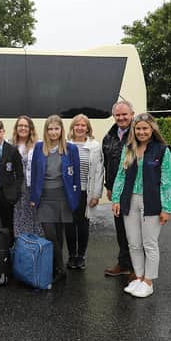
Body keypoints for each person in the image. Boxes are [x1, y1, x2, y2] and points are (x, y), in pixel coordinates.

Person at [111, 113, 171, 298]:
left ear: (152, 129)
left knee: (149, 243)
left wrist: (167, 208)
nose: (141, 132)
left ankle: (149, 281)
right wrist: (116, 199)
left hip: (152, 202)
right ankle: (138, 277)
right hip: (130, 200)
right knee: (134, 243)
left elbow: (167, 181)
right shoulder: (128, 149)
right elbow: (120, 176)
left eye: (145, 128)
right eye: (138, 128)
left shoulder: (162, 150)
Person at [30, 115, 80, 283]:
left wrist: (76, 197)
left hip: (63, 196)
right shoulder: (39, 147)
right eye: (50, 129)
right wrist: (33, 197)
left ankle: (56, 267)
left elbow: (76, 176)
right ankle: (60, 267)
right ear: (46, 131)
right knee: (50, 234)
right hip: (44, 197)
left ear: (61, 130)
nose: (53, 132)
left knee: (59, 234)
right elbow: (35, 173)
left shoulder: (71, 149)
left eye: (56, 129)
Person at [64, 114, 104, 270]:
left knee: (82, 224)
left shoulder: (95, 146)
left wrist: (96, 194)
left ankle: (81, 256)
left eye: (83, 125)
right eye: (77, 125)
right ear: (72, 128)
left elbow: (99, 172)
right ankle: (71, 255)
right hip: (68, 192)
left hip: (85, 192)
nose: (80, 128)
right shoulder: (65, 145)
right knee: (69, 224)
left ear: (88, 128)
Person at [102, 101, 135, 278]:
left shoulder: (139, 133)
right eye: (118, 115)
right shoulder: (109, 136)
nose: (121, 118)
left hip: (135, 191)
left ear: (132, 114)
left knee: (135, 230)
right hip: (116, 191)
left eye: (125, 115)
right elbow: (108, 164)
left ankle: (136, 268)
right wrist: (109, 187)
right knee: (121, 229)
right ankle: (123, 264)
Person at [12, 115, 42, 236]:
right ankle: (22, 247)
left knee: (36, 218)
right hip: (18, 190)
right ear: (16, 128)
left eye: (26, 126)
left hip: (33, 187)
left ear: (30, 129)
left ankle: (36, 248)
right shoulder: (10, 144)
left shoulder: (38, 145)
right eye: (20, 125)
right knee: (19, 217)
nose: (23, 128)